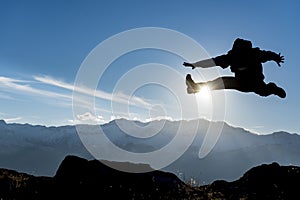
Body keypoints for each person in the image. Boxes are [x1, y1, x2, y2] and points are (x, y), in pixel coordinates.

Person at [183, 38, 286, 98]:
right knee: (221, 82)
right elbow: (214, 61)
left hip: (256, 83)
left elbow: (268, 55)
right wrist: (196, 64)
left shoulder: (255, 54)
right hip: (241, 83)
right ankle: (194, 88)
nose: (240, 57)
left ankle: (273, 88)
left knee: (264, 91)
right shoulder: (231, 57)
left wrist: (276, 57)